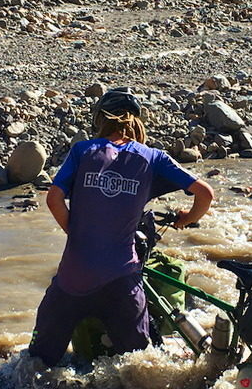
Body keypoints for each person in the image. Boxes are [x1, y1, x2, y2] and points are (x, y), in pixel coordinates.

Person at [25, 88, 214, 367]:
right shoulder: (153, 157)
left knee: (36, 363)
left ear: (100, 120)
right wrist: (186, 218)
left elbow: (53, 198)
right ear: (136, 122)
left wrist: (76, 232)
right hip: (121, 280)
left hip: (73, 278)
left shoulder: (82, 150)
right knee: (139, 366)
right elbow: (205, 193)